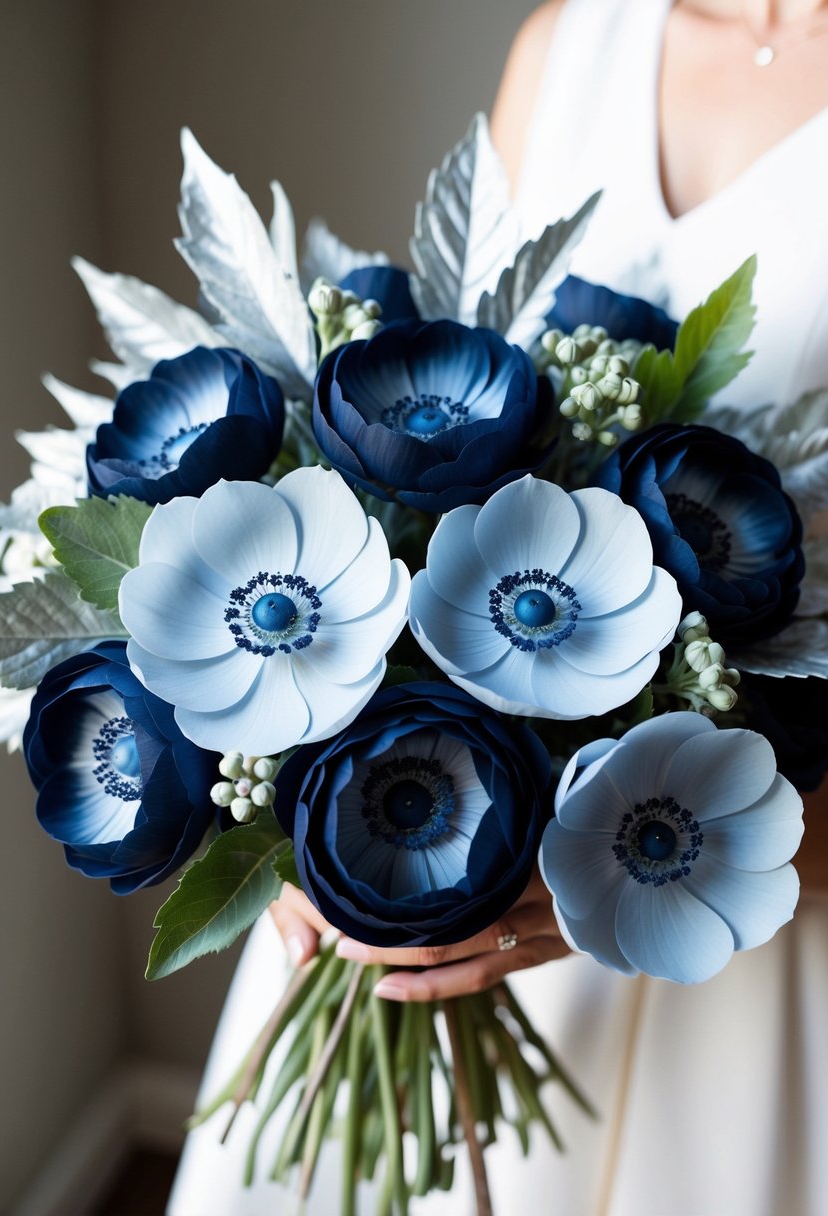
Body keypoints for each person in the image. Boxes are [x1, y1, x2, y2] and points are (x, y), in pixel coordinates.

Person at [168, 3, 828, 1212]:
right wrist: (301, 812)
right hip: (448, 857)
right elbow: (489, 403)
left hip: (745, 895)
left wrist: (630, 875)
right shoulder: (572, 44)